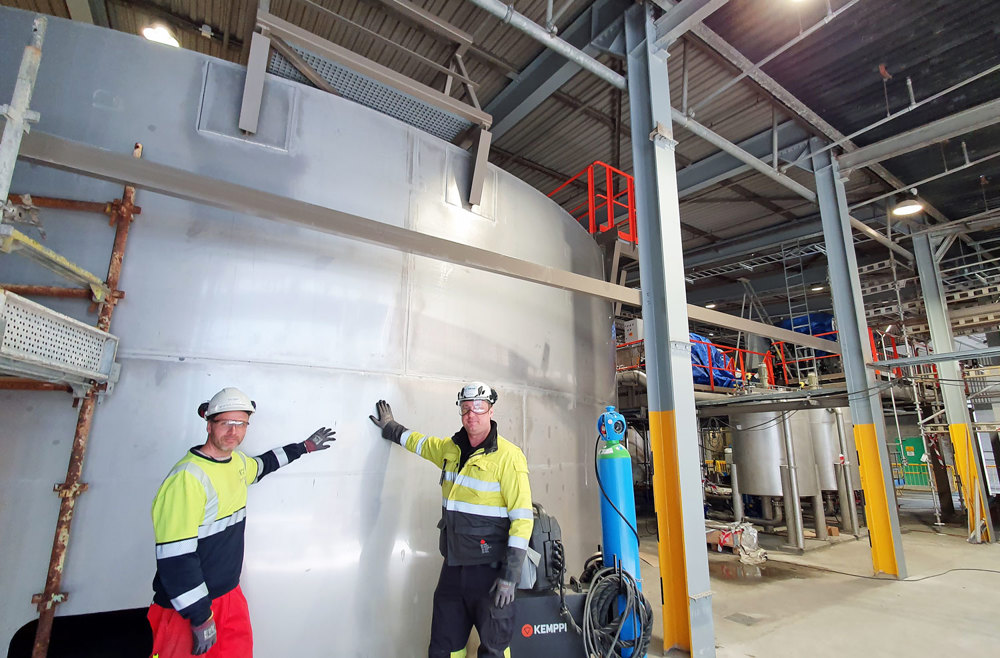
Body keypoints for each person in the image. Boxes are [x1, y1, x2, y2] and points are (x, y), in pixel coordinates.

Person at [148, 387, 336, 657]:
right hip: (187, 607)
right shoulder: (187, 478)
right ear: (209, 424)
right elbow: (175, 558)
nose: (233, 432)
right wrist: (199, 615)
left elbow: (263, 465)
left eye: (241, 424)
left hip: (229, 597)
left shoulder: (236, 464)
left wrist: (303, 448)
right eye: (225, 423)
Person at [369, 382, 533, 658]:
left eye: (478, 408)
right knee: (443, 649)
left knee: (493, 651)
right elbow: (421, 443)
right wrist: (391, 429)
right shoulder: (451, 449)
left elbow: (522, 518)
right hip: (453, 570)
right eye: (466, 408)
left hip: (492, 575)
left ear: (491, 411)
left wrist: (510, 576)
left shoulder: (509, 457)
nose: (472, 415)